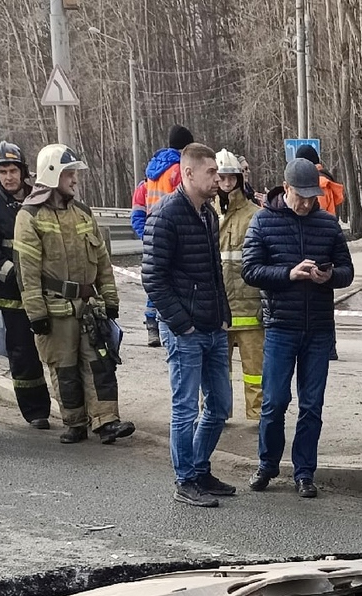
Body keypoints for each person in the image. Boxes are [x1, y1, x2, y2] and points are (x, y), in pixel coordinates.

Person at [243, 158, 354, 498]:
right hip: (280, 326)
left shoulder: (327, 224)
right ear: (286, 188)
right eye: (301, 196)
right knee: (274, 401)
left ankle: (305, 472)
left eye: (312, 197)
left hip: (319, 328)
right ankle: (267, 464)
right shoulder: (263, 221)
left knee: (312, 405)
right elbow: (250, 270)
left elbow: (347, 270)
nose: (307, 203)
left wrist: (329, 277)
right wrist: (288, 274)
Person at [14, 144, 135, 446]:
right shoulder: (29, 216)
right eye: (69, 173)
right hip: (54, 310)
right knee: (64, 368)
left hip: (89, 306)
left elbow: (103, 262)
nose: (75, 180)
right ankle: (75, 422)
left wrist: (110, 300)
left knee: (100, 364)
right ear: (53, 174)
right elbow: (26, 270)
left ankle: (106, 421)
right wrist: (36, 314)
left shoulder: (83, 213)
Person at [141, 143, 234, 508]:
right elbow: (153, 278)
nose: (218, 178)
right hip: (185, 331)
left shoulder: (208, 214)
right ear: (190, 173)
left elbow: (214, 272)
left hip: (213, 326)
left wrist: (223, 313)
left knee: (220, 406)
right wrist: (182, 324)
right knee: (185, 409)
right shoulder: (166, 214)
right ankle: (185, 480)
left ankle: (199, 468)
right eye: (211, 172)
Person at [0, 141, 52, 430]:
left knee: (60, 350)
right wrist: (18, 277)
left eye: (13, 170)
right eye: (3, 171)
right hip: (13, 296)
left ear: (23, 171)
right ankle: (36, 411)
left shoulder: (41, 199)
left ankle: (73, 408)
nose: (9, 176)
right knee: (23, 353)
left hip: (48, 291)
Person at [133, 125, 195, 347]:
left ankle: (152, 324)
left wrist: (146, 235)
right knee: (168, 280)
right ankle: (164, 326)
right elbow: (187, 203)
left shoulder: (150, 173)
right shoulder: (180, 170)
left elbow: (138, 211)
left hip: (154, 233)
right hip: (174, 232)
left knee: (156, 278)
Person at [214, 148, 263, 421]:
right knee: (217, 373)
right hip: (218, 311)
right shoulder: (206, 213)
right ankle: (217, 415)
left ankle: (258, 419)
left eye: (231, 178)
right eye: (222, 177)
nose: (227, 183)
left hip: (249, 308)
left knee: (255, 371)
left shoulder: (254, 215)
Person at [294, 144, 346, 362]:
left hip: (316, 241)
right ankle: (329, 344)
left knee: (317, 297)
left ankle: (327, 345)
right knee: (326, 296)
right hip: (327, 242)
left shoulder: (318, 184)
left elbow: (314, 212)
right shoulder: (327, 180)